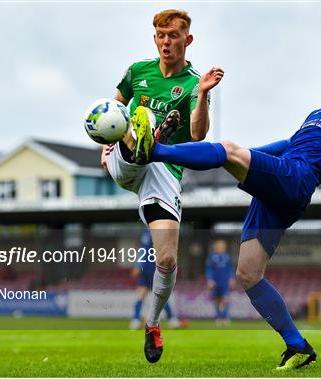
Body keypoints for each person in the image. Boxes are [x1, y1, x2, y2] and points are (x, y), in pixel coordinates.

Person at [132, 47, 321, 369]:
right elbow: (287, 145)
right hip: (278, 189)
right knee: (248, 274)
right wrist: (243, 155)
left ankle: (153, 150)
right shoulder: (319, 114)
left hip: (295, 179)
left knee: (226, 150)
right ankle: (298, 346)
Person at [101, 9, 224, 363]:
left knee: (167, 259)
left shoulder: (193, 83)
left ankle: (152, 324)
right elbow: (114, 108)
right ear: (154, 38)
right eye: (160, 35)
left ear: (188, 39)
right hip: (125, 160)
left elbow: (199, 134)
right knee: (137, 120)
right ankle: (147, 135)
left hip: (163, 173)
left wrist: (200, 95)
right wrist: (103, 144)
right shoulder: (136, 72)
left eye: (173, 35)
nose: (166, 42)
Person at [129, 229, 184, 330]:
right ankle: (136, 320)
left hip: (154, 265)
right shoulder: (150, 231)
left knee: (155, 294)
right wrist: (137, 265)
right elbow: (143, 250)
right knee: (150, 294)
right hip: (149, 267)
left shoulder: (152, 230)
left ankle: (136, 321)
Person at [205, 239, 236, 325]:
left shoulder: (227, 257)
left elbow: (231, 269)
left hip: (225, 282)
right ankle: (218, 317)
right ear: (216, 247)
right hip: (215, 282)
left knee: (225, 300)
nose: (221, 248)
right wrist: (210, 280)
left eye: (222, 246)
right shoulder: (211, 257)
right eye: (219, 246)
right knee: (217, 300)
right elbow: (209, 269)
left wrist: (232, 278)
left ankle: (225, 317)